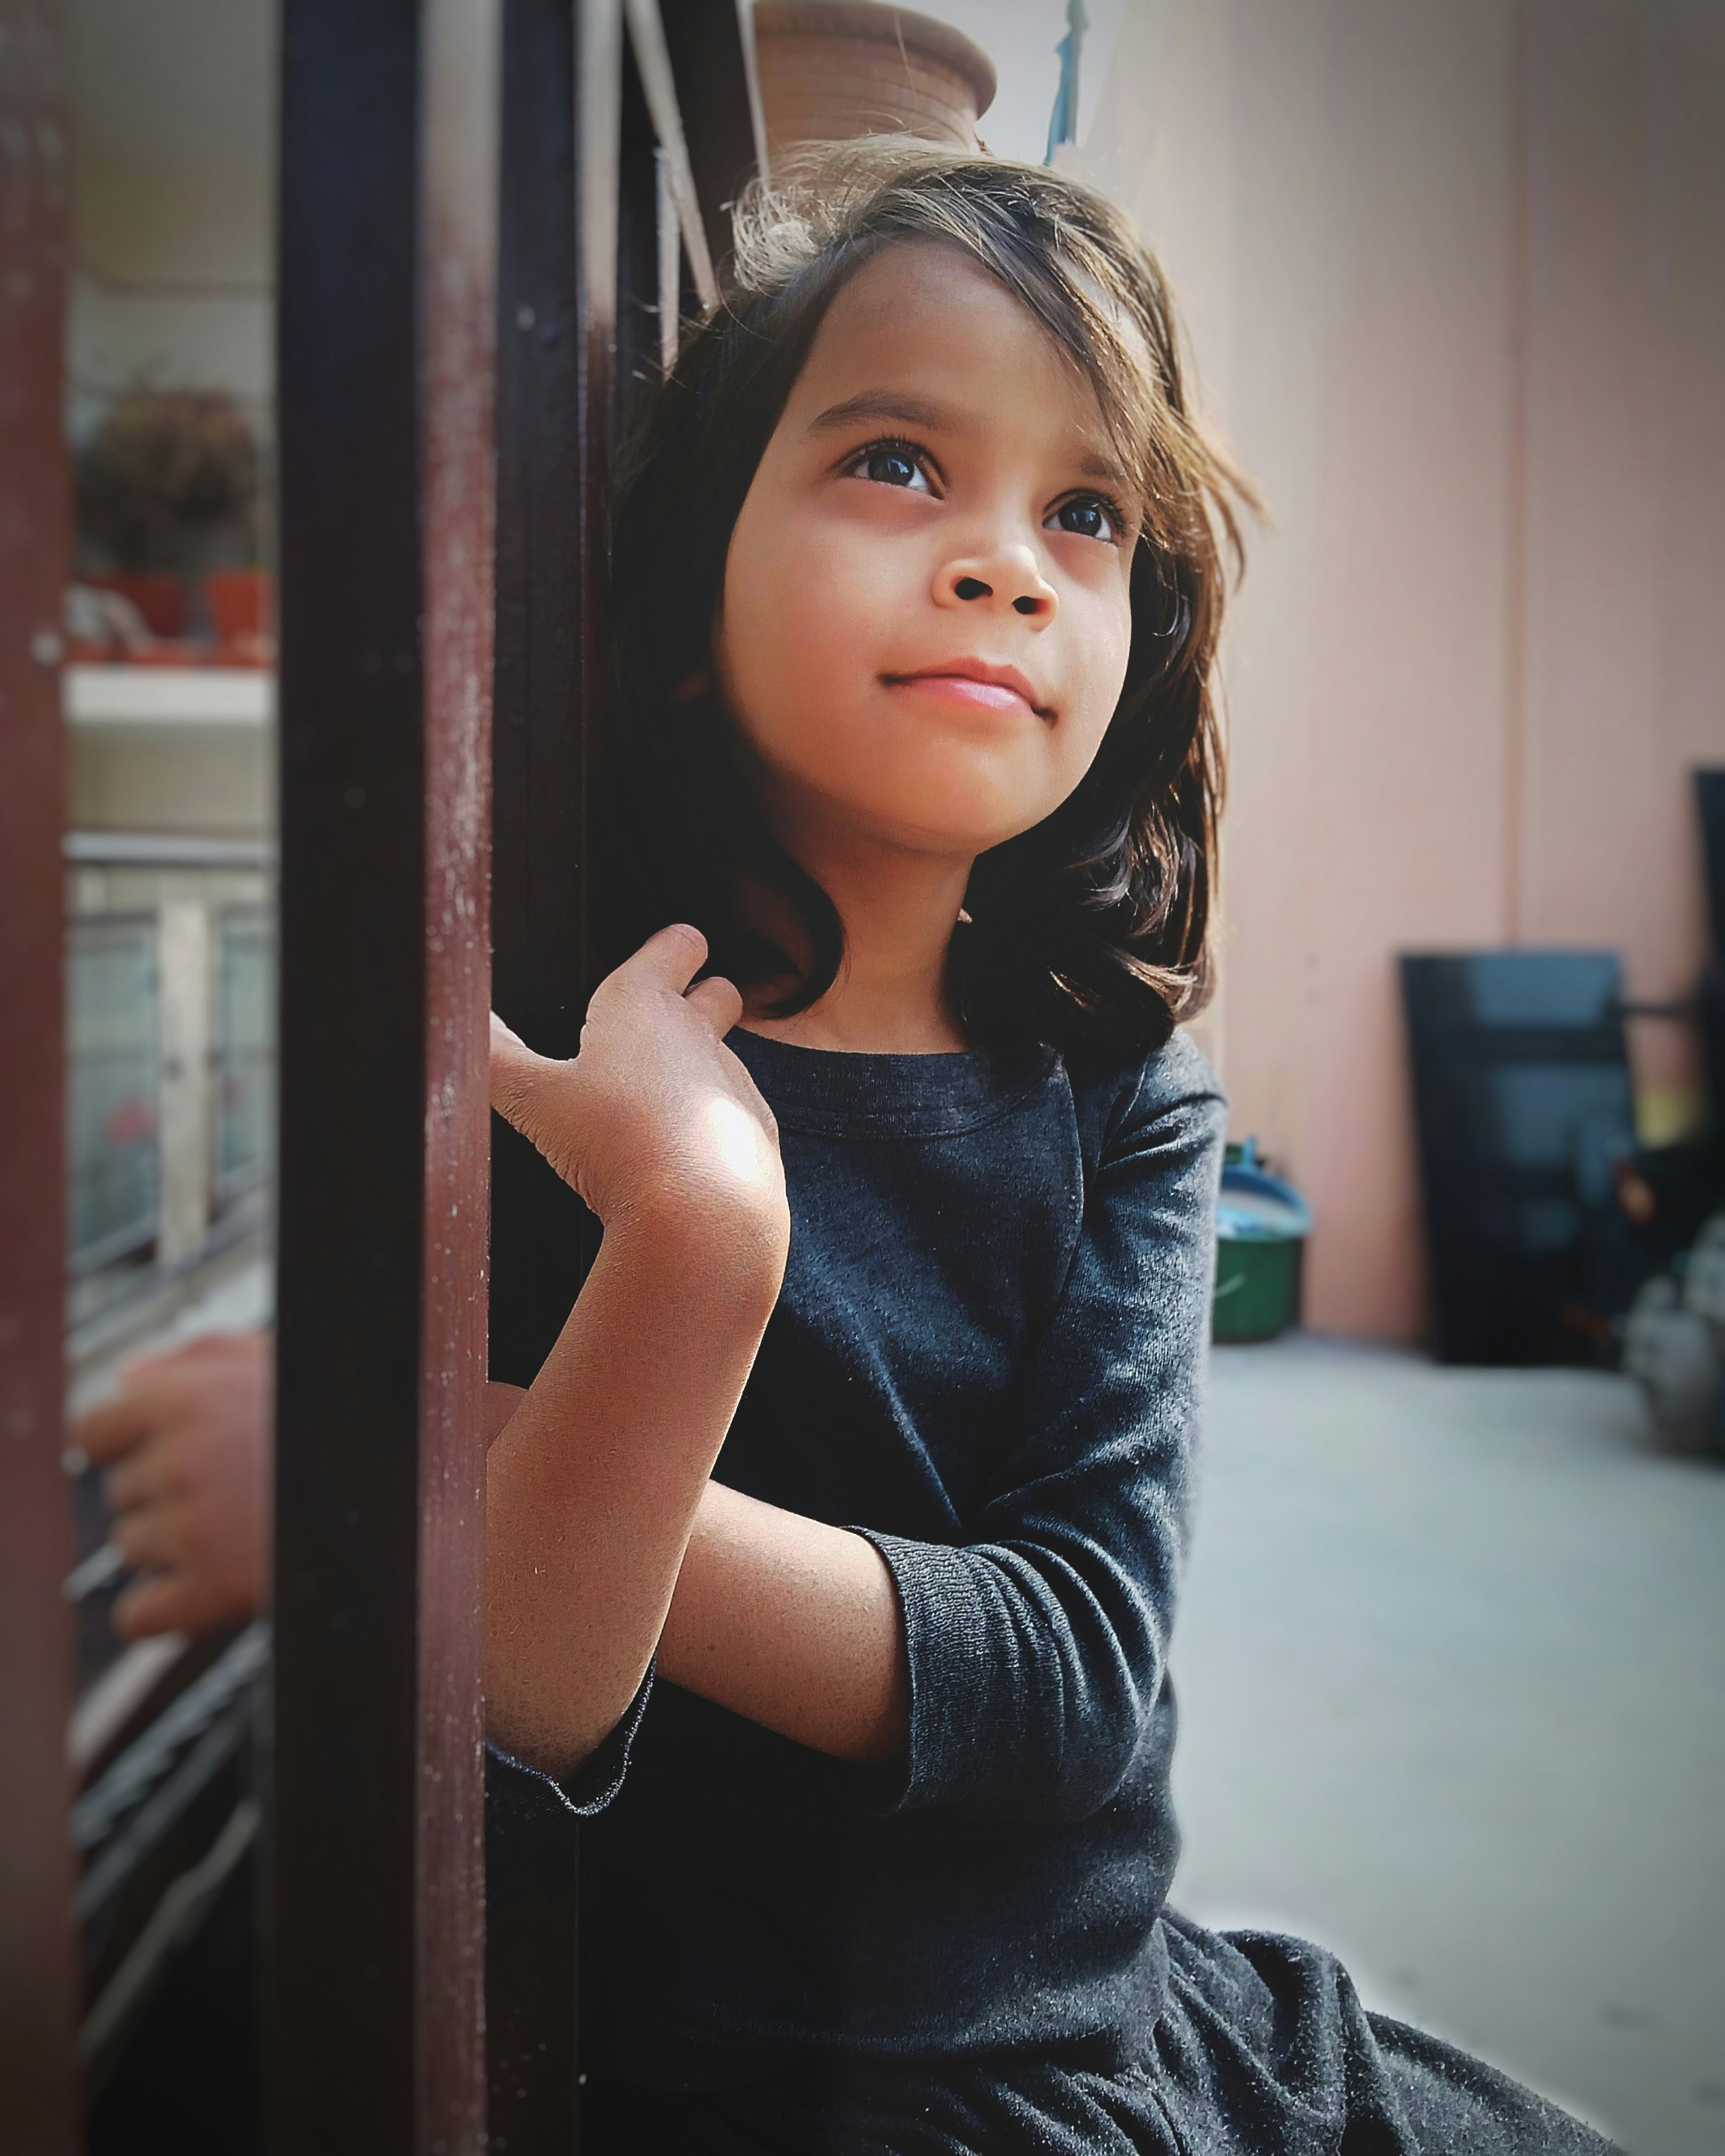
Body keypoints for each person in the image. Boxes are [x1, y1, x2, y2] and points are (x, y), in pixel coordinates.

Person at [75, 143, 1618, 2155]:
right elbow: (537, 1676)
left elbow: (1071, 1670)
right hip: (760, 2087)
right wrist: (685, 1244)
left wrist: (426, 1458)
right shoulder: (538, 1041)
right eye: (898, 461)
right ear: (689, 591)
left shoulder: (1124, 1099)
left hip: (1046, 2020)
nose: (1007, 563)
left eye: (1085, 511)